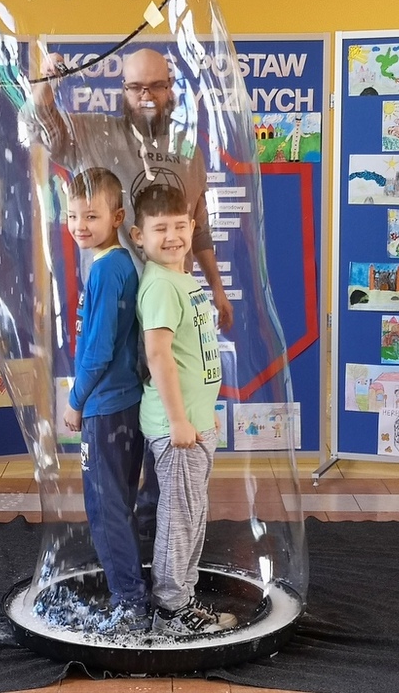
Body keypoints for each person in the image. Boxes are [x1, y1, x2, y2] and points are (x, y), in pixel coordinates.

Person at [33, 46, 234, 544]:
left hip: (173, 308)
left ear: (170, 89)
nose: (147, 96)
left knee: (168, 418)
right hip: (122, 311)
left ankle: (151, 527)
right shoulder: (95, 133)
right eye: (136, 87)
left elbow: (199, 226)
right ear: (122, 90)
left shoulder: (188, 149)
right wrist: (46, 82)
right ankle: (122, 535)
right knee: (124, 425)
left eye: (157, 86)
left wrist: (217, 289)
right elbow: (46, 127)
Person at [130, 184, 236, 636]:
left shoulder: (183, 280)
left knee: (192, 514)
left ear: (193, 227)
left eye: (179, 226)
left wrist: (200, 414)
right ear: (139, 235)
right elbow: (159, 356)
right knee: (179, 518)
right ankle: (171, 609)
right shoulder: (158, 285)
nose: (172, 236)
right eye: (160, 229)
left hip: (194, 424)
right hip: (177, 428)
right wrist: (177, 419)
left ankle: (184, 597)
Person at [60, 167, 150, 633]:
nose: (80, 225)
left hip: (105, 408)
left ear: (117, 217)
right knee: (120, 503)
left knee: (105, 508)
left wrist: (75, 400)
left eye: (91, 216)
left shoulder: (106, 269)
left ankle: (130, 604)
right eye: (73, 215)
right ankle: (133, 589)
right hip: (125, 404)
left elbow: (97, 351)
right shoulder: (117, 264)